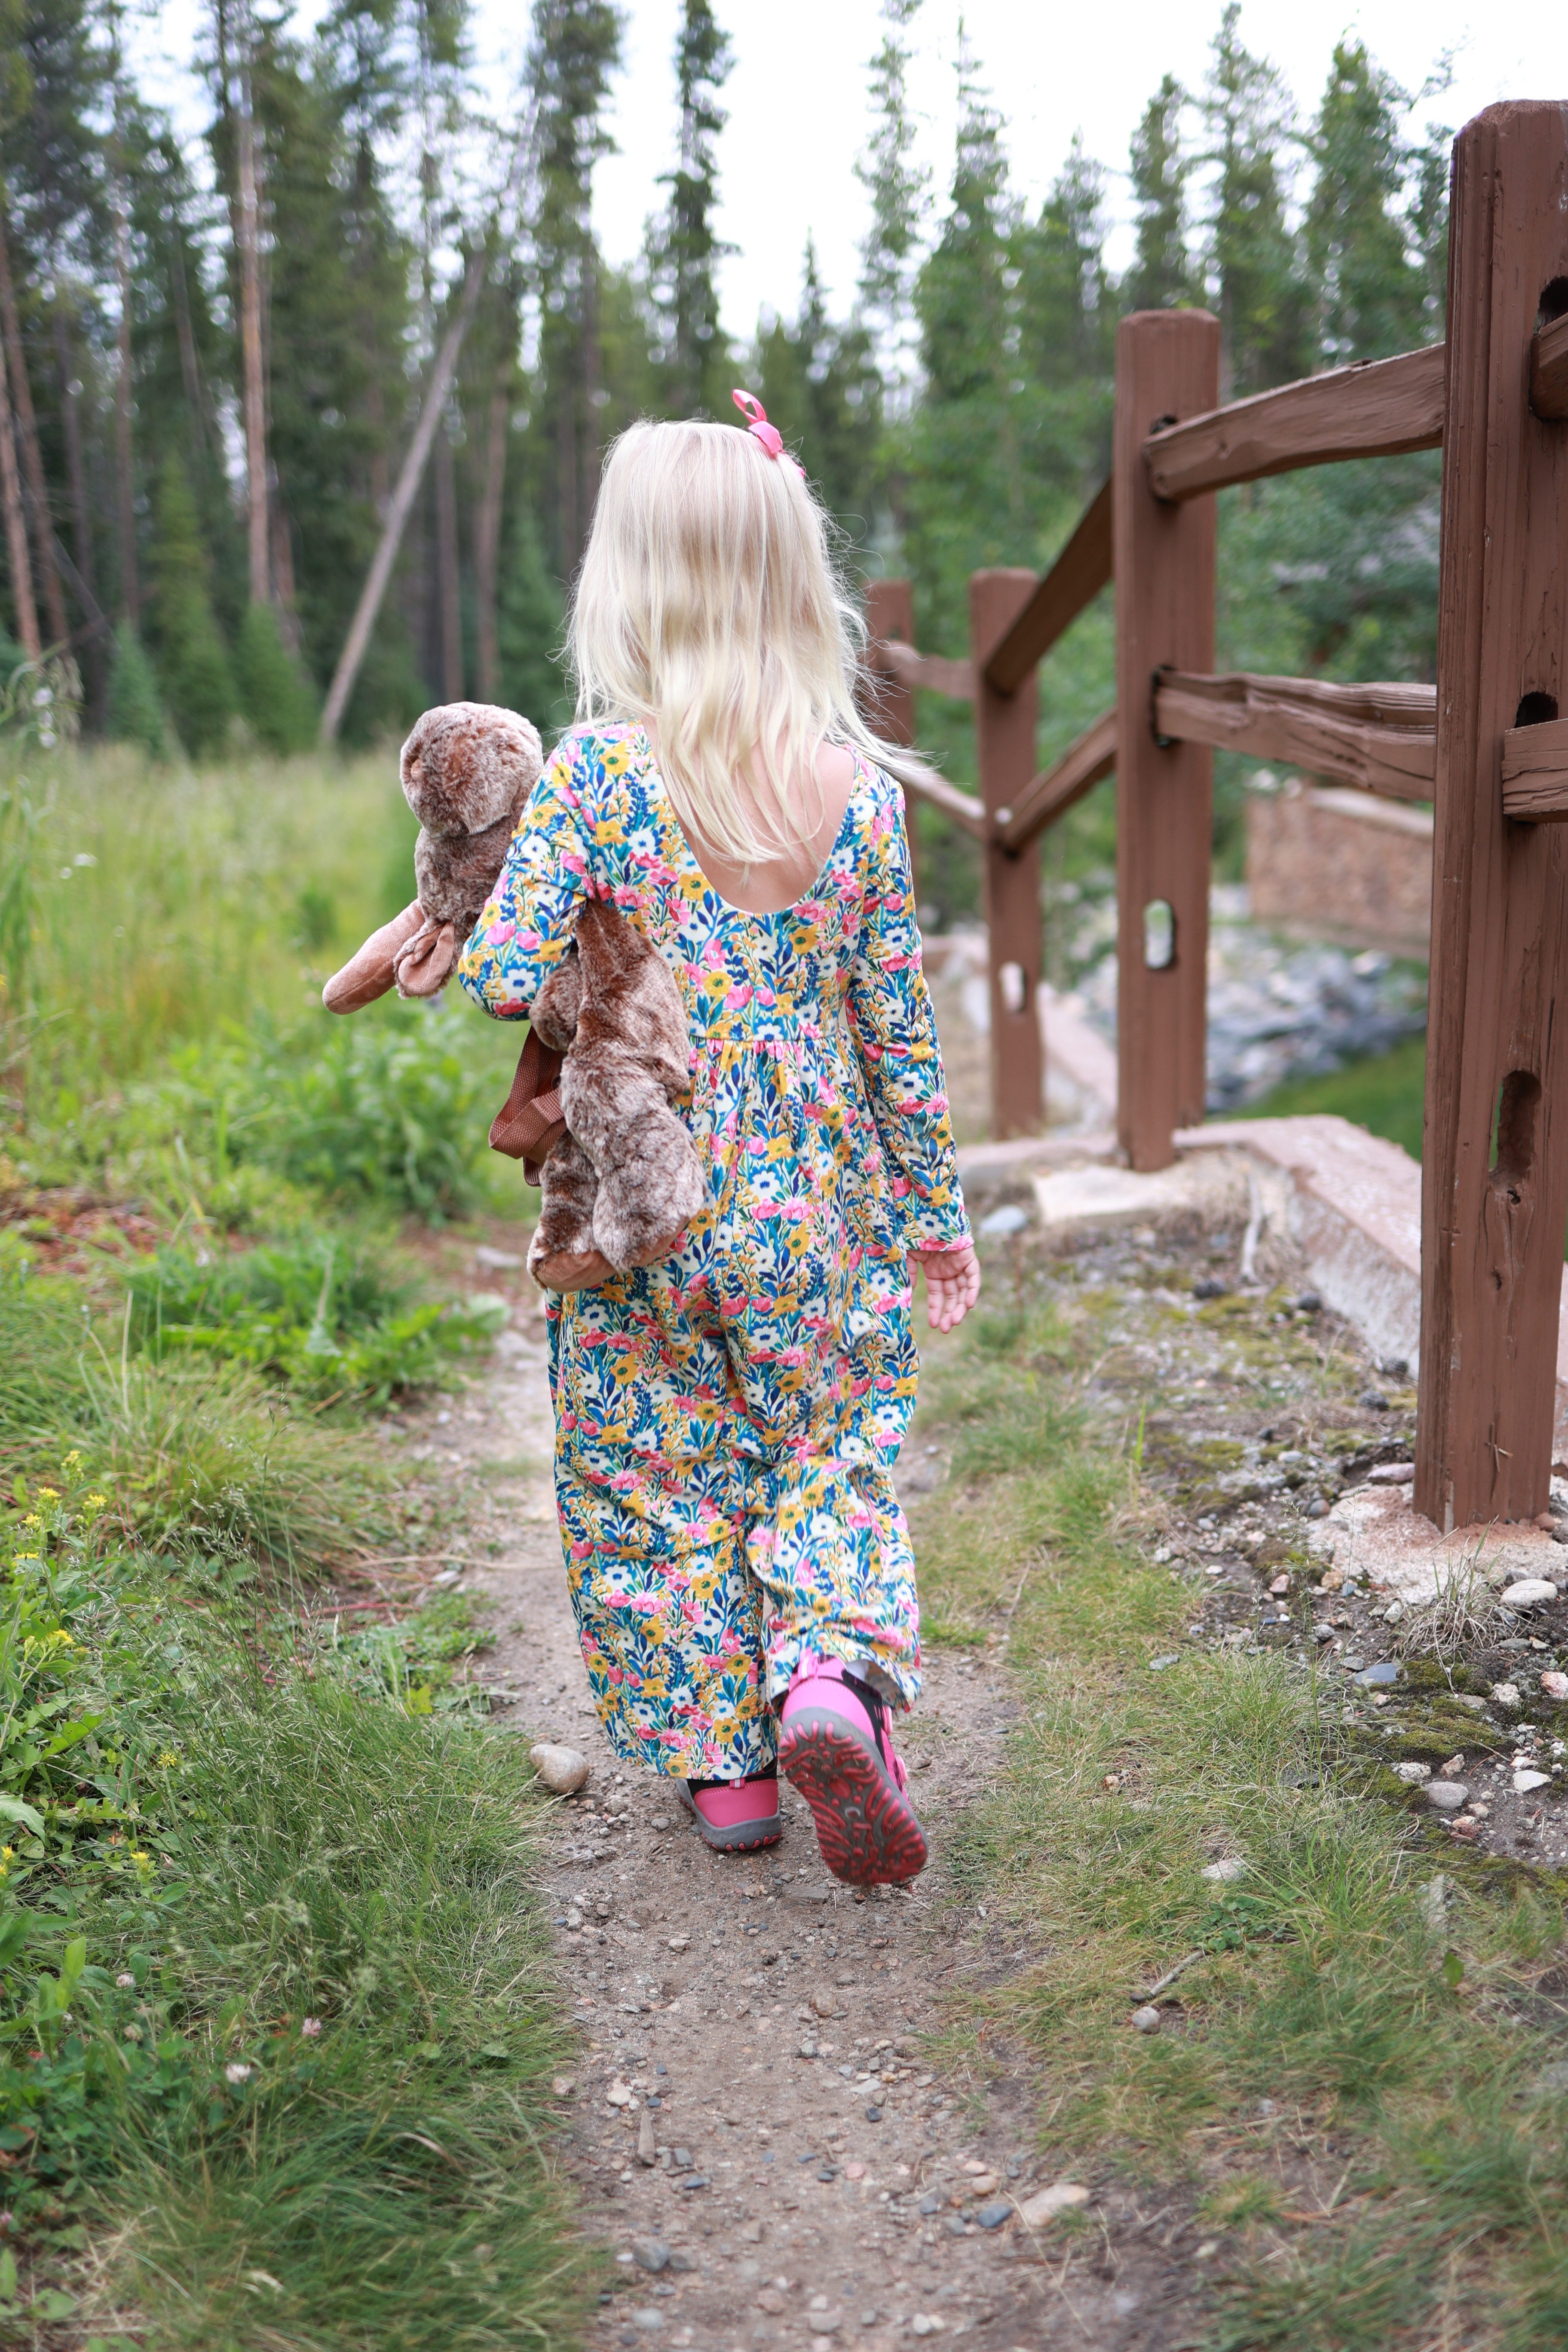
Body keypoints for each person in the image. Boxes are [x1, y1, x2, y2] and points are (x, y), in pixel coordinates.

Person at [459, 393, 980, 1885]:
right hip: (817, 1209)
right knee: (822, 1452)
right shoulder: (857, 797)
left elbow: (504, 973)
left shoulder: (598, 776)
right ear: (789, 579)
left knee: (655, 1470)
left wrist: (478, 887)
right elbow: (899, 1040)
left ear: (628, 586)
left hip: (644, 1200)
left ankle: (733, 1775)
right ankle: (825, 1680)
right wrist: (934, 1215)